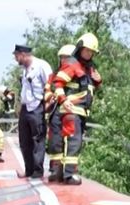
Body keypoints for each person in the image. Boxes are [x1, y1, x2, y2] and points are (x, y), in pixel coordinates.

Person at [47, 33, 102, 185]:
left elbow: (87, 85)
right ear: (80, 48)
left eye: (92, 52)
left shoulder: (88, 67)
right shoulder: (73, 64)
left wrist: (98, 81)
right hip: (72, 110)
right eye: (87, 50)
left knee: (71, 141)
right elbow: (57, 84)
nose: (90, 54)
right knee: (73, 141)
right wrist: (63, 100)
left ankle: (60, 172)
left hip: (80, 111)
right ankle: (69, 175)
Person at [12, 44, 52, 178]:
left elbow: (50, 86)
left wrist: (47, 107)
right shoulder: (24, 70)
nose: (16, 59)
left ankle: (37, 170)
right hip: (25, 108)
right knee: (24, 140)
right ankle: (28, 169)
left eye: (17, 56)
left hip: (37, 107)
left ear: (23, 55)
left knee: (37, 139)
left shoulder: (41, 66)